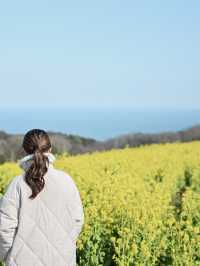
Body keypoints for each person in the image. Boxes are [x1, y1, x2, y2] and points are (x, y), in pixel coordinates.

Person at [0, 129, 84, 266]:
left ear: (25, 151)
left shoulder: (17, 185)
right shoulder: (66, 180)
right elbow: (78, 220)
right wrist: (65, 245)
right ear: (50, 149)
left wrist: (9, 256)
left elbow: (4, 228)